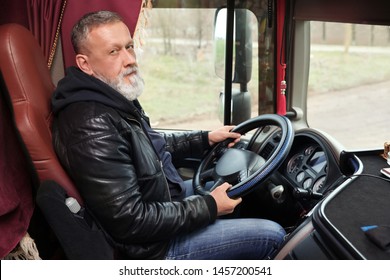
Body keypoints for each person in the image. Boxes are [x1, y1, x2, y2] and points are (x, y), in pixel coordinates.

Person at [51, 10, 286, 260]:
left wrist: (204, 139)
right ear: (85, 64)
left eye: (129, 47)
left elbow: (148, 147)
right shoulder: (91, 125)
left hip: (163, 201)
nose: (129, 59)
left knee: (238, 190)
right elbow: (131, 221)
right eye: (113, 51)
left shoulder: (109, 96)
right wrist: (210, 206)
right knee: (273, 235)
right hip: (156, 250)